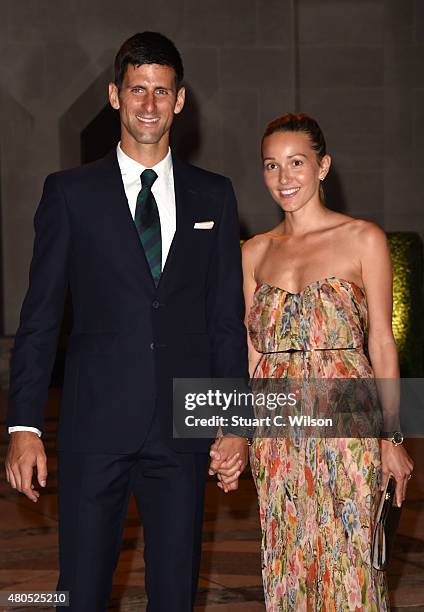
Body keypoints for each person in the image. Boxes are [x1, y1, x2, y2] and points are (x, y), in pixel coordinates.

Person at [5, 31, 249, 612]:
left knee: (175, 595)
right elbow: (39, 317)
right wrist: (23, 427)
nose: (148, 104)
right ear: (115, 95)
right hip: (95, 429)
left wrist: (235, 423)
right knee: (80, 594)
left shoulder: (213, 195)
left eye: (161, 92)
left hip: (183, 431)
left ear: (180, 100)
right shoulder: (69, 194)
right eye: (137, 89)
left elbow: (225, 320)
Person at [239, 113, 414, 610]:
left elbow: (381, 341)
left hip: (349, 428)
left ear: (323, 167)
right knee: (288, 562)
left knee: (353, 564)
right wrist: (240, 436)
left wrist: (391, 436)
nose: (284, 178)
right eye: (272, 166)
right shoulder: (254, 253)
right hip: (278, 437)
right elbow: (252, 354)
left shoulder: (363, 239)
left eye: (296, 163)